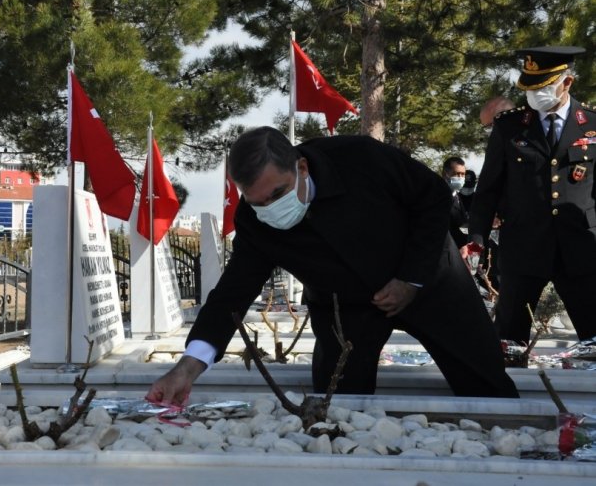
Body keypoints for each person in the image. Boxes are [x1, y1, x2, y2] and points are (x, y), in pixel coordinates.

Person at [146, 126, 519, 405]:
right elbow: (233, 292)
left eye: (278, 194)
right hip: (346, 310)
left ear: (302, 167)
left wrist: (410, 279)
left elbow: (433, 198)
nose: (270, 209)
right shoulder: (254, 220)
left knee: (486, 386)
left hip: (430, 283)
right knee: (336, 407)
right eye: (258, 202)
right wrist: (188, 367)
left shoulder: (360, 158)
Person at [465, 46, 596, 345]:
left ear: (567, 83)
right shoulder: (510, 126)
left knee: (594, 339)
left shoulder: (592, 124)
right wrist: (477, 238)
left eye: (543, 87)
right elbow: (489, 189)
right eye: (529, 88)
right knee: (510, 342)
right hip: (523, 249)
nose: (534, 96)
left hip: (581, 251)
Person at [441, 156, 469, 248]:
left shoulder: (458, 196)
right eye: (456, 174)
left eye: (463, 174)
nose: (460, 178)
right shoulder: (438, 198)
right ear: (445, 174)